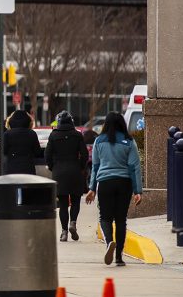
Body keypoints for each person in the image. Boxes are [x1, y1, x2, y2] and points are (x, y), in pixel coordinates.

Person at [86, 112, 143, 267]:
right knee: (120, 220)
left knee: (105, 218)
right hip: (124, 184)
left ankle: (110, 242)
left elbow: (95, 167)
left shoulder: (99, 141)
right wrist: (138, 191)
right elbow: (134, 167)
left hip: (105, 183)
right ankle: (118, 257)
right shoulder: (129, 142)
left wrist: (92, 188)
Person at [45, 111, 89, 242]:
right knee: (75, 201)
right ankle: (73, 223)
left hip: (59, 172)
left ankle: (64, 232)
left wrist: (53, 167)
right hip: (75, 171)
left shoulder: (53, 135)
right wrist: (80, 167)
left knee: (63, 203)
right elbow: (85, 154)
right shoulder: (77, 135)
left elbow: (47, 155)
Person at [2, 109, 42, 175]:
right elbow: (37, 152)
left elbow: (4, 151)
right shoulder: (32, 134)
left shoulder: (7, 134)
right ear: (28, 121)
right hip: (28, 169)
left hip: (11, 169)